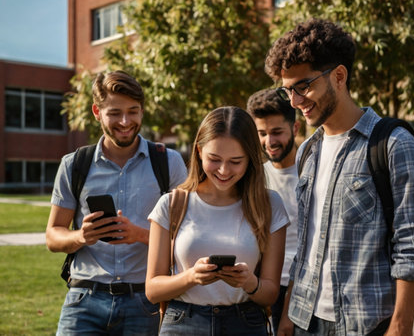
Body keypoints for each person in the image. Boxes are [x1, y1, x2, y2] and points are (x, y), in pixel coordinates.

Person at [265, 18, 414, 335]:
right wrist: (288, 313)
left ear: (339, 76)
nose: (296, 101)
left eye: (304, 86)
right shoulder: (307, 153)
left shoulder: (394, 145)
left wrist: (400, 326)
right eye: (288, 91)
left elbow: (411, 245)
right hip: (305, 320)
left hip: (366, 324)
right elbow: (307, 242)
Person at [46, 70, 188, 335]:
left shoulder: (169, 163)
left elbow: (189, 237)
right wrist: (82, 236)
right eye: (114, 113)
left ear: (142, 111)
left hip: (144, 302)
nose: (125, 121)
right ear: (97, 112)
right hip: (84, 299)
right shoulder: (74, 165)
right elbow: (53, 236)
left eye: (133, 111)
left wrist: (140, 235)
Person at [146, 106, 289, 335]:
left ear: (250, 159)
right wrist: (191, 277)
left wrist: (249, 282)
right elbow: (152, 290)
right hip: (184, 323)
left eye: (235, 161)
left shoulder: (269, 204)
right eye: (215, 159)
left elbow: (270, 293)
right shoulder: (171, 204)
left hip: (246, 324)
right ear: (199, 151)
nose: (223, 170)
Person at [247, 89, 300, 336]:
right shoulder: (253, 177)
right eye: (262, 133)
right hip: (260, 290)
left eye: (277, 132)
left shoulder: (312, 173)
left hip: (302, 292)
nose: (269, 141)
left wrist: (289, 309)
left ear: (296, 129)